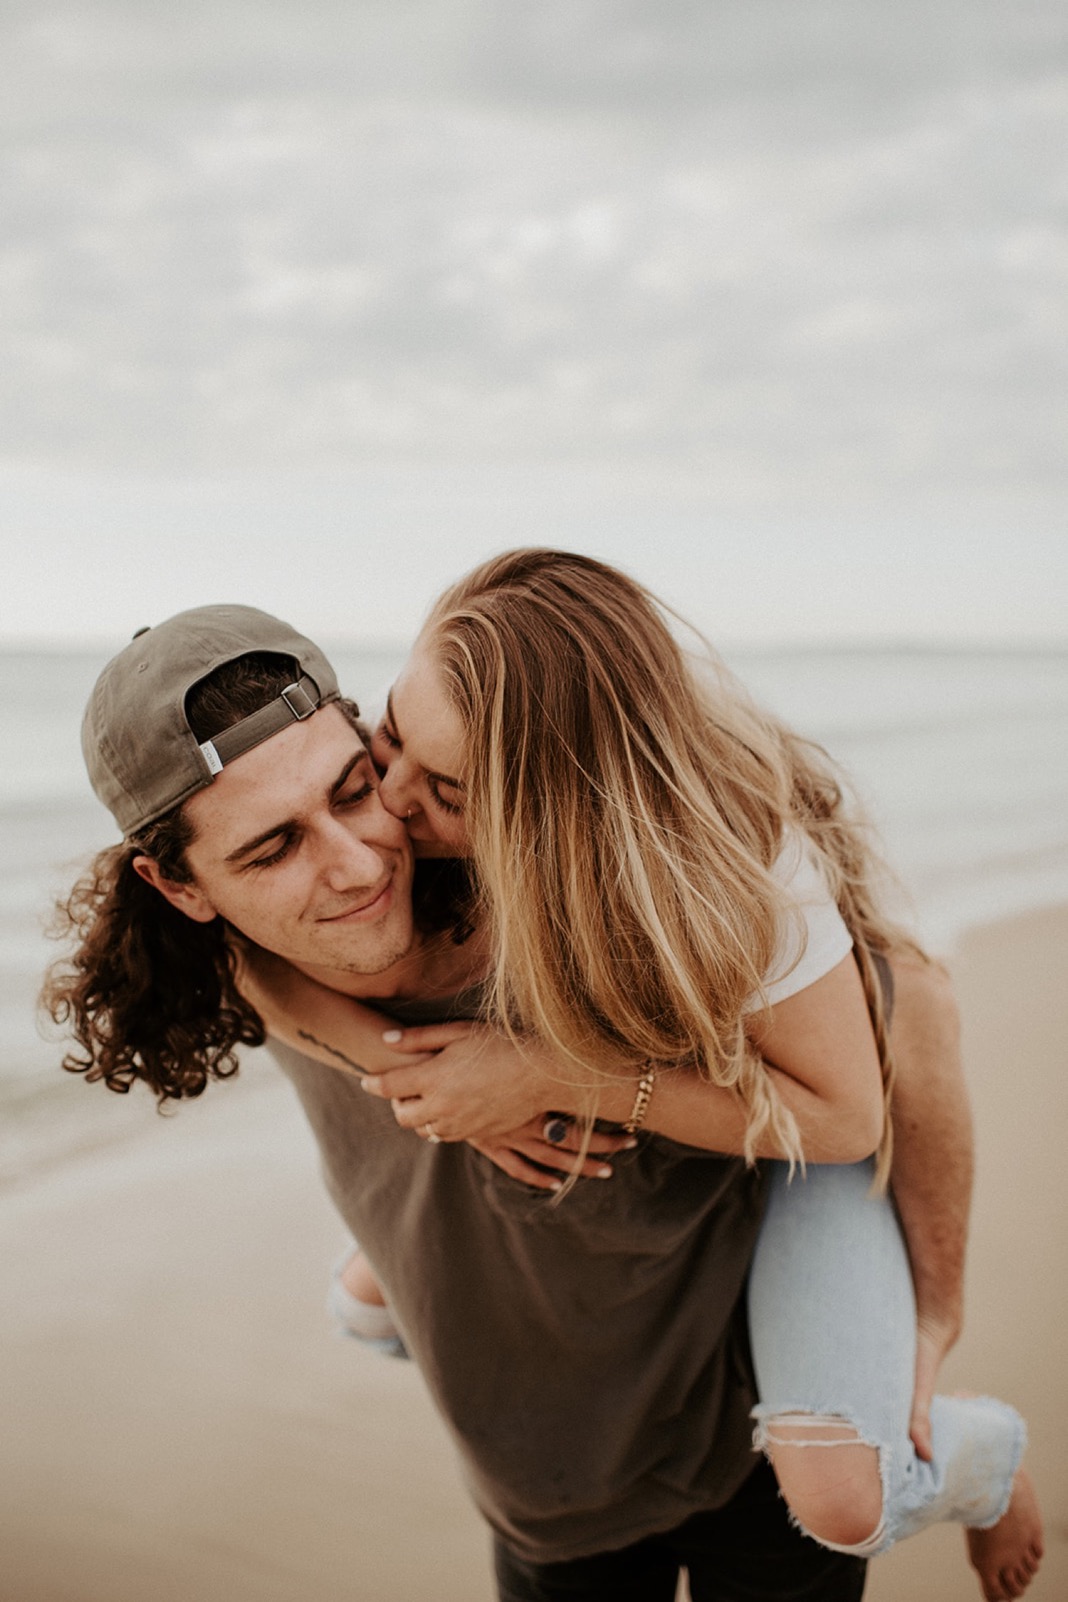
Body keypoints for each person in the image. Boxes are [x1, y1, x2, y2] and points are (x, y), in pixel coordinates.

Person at [42, 587, 1040, 1602]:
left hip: (744, 1418)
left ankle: (972, 1457)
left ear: (372, 741)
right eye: (273, 847)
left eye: (353, 791)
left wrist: (933, 1315)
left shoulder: (561, 875)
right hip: (547, 1477)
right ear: (181, 890)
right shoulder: (236, 967)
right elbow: (270, 986)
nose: (355, 865)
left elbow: (905, 1004)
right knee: (364, 1310)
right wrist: (404, 1069)